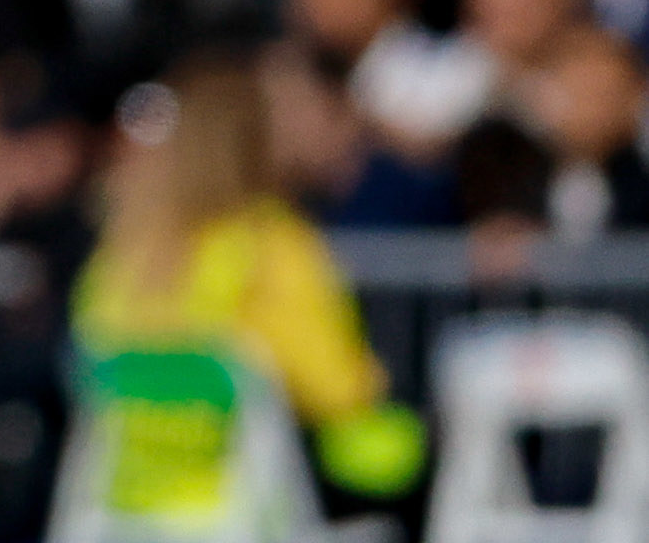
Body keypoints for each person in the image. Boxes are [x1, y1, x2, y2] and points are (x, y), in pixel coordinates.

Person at [74, 54, 423, 499]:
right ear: (257, 138)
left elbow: (92, 350)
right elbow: (335, 386)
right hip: (249, 496)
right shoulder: (270, 243)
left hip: (123, 497)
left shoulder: (126, 248)